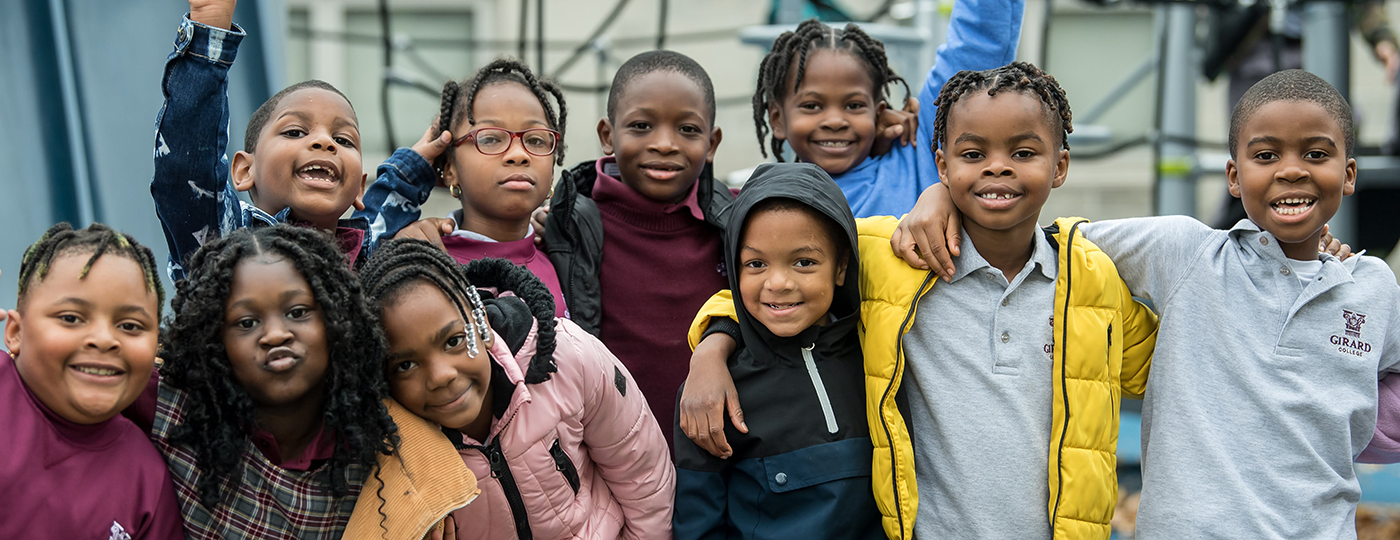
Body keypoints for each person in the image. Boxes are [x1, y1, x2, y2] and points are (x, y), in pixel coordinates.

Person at [894, 69, 1400, 539]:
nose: (1291, 171)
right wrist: (938, 198)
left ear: (1349, 173)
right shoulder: (1186, 253)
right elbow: (1049, 235)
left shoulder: (1373, 287)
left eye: (1316, 155)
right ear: (1232, 175)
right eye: (1266, 156)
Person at [683, 63, 1159, 540]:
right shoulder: (893, 256)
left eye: (1023, 151)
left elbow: (1166, 372)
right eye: (973, 153)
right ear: (943, 164)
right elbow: (775, 287)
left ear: (1059, 166)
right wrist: (711, 349)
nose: (998, 166)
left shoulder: (1093, 280)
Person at [357, 242, 675, 540]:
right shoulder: (392, 444)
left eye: (453, 341)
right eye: (405, 365)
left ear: (480, 321)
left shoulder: (566, 357)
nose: (441, 376)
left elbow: (643, 475)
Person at [673, 163, 883, 540]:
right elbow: (698, 524)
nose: (779, 283)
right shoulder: (712, 390)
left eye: (804, 262)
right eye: (756, 264)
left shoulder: (879, 352)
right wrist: (711, 351)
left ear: (841, 267)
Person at [147, 224, 398, 539]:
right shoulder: (168, 407)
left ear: (338, 321)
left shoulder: (375, 443)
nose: (276, 334)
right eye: (247, 322)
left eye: (297, 312)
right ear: (213, 339)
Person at [151, 0, 424, 280]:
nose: (324, 142)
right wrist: (209, 30)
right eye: (294, 132)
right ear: (245, 171)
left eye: (343, 139)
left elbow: (384, 211)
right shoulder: (226, 244)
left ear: (358, 190)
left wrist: (419, 164)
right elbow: (188, 168)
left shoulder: (372, 255)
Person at [750, 0, 1024, 218]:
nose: (834, 120)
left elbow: (979, 42)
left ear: (878, 111)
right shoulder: (768, 207)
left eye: (854, 105)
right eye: (812, 106)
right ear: (777, 118)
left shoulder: (919, 153)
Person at [1, 223, 184, 539]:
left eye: (129, 326)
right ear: (16, 334)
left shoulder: (146, 478)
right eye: (71, 318)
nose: (104, 339)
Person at [356, 59, 571, 317]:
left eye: (536, 140)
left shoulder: (569, 259)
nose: (518, 154)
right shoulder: (424, 260)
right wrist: (408, 172)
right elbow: (351, 268)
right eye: (489, 138)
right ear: (449, 169)